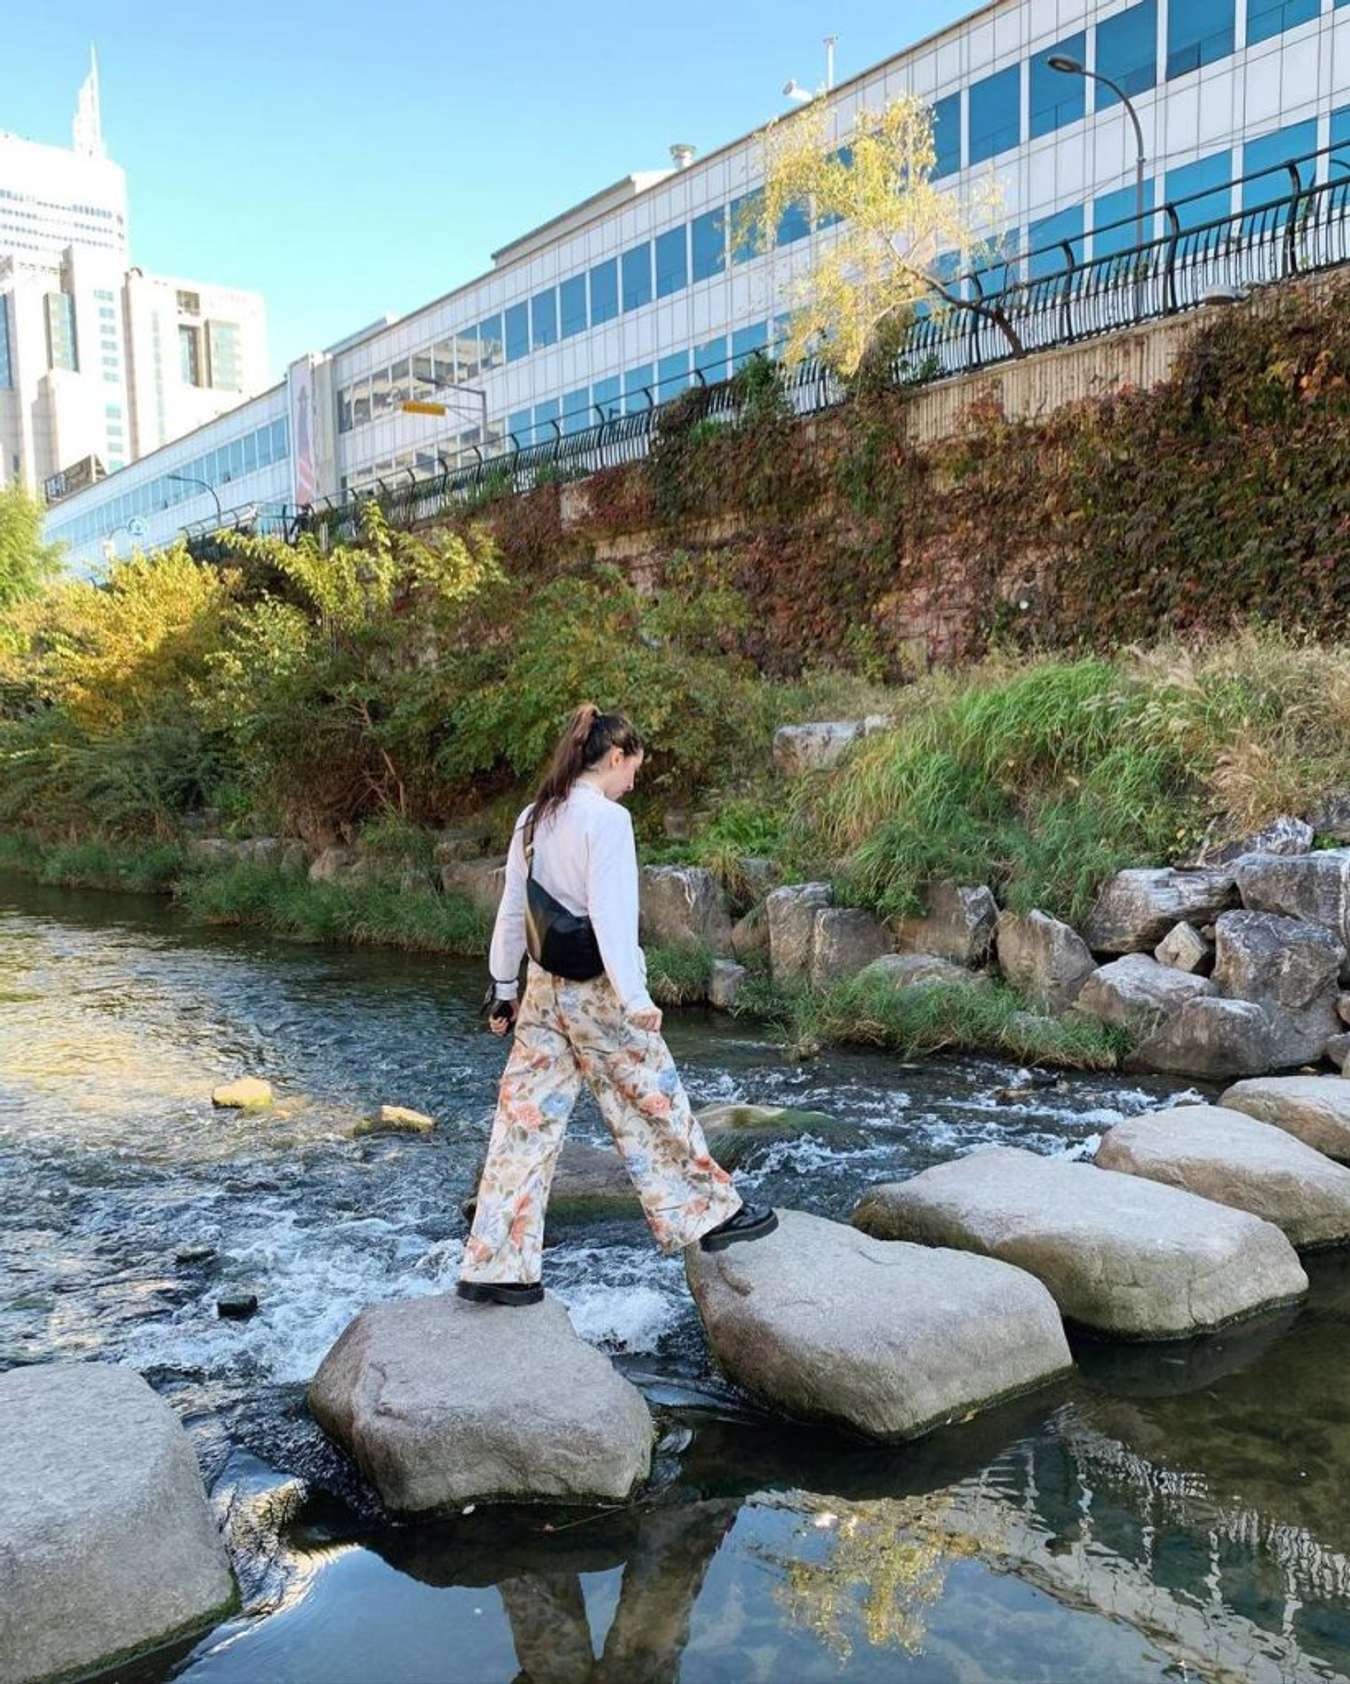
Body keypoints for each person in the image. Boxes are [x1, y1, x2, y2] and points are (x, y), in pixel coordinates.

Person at [457, 703, 777, 1307]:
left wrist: (503, 988)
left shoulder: (533, 818)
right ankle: (705, 1216)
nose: (634, 780)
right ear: (613, 757)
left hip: (543, 988)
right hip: (598, 991)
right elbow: (611, 916)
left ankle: (496, 1266)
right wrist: (635, 997)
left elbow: (510, 913)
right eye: (634, 767)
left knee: (524, 1125)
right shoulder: (606, 821)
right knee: (653, 1101)